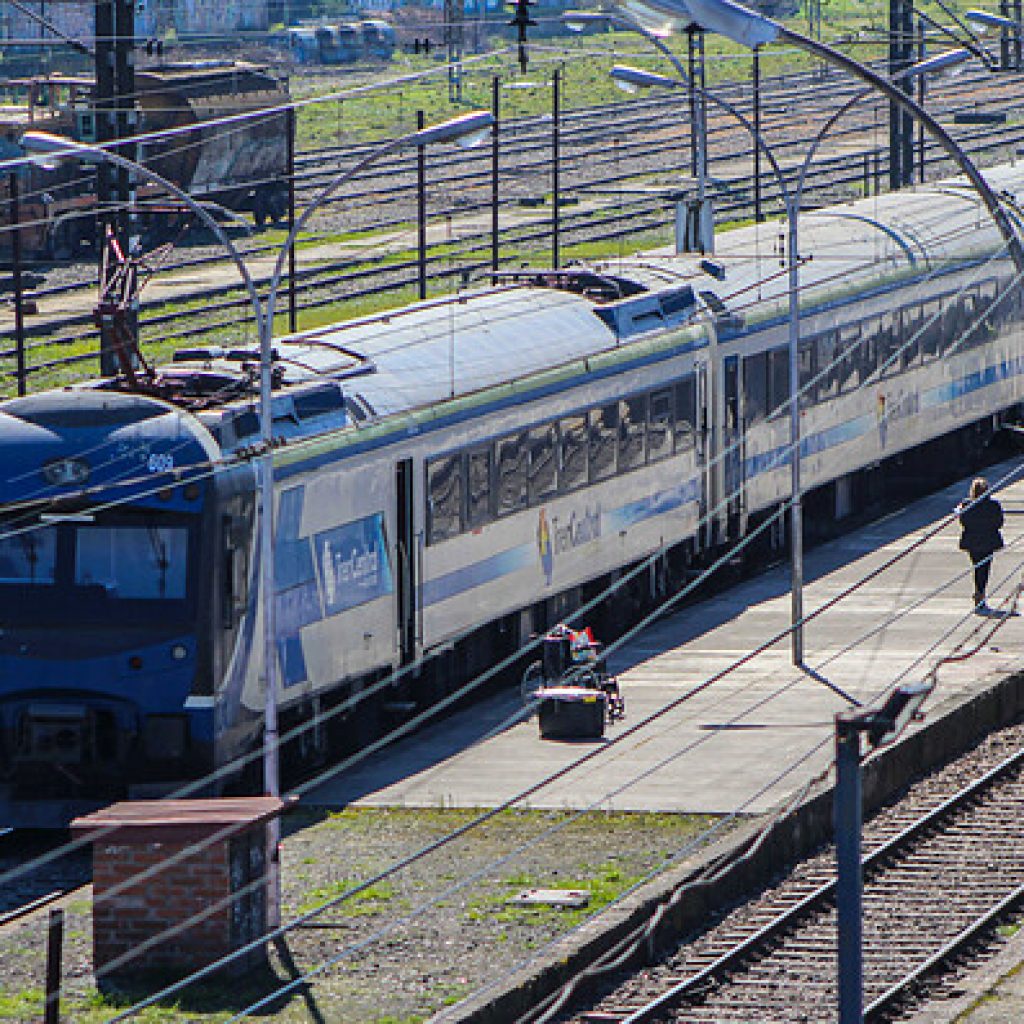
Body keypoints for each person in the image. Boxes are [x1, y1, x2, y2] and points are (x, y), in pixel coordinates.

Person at [957, 477, 1004, 612]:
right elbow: (999, 523)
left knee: (976, 566)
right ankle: (980, 592)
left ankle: (979, 592)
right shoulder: (994, 505)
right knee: (985, 568)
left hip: (972, 541)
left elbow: (963, 522)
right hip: (988, 540)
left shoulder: (966, 504)